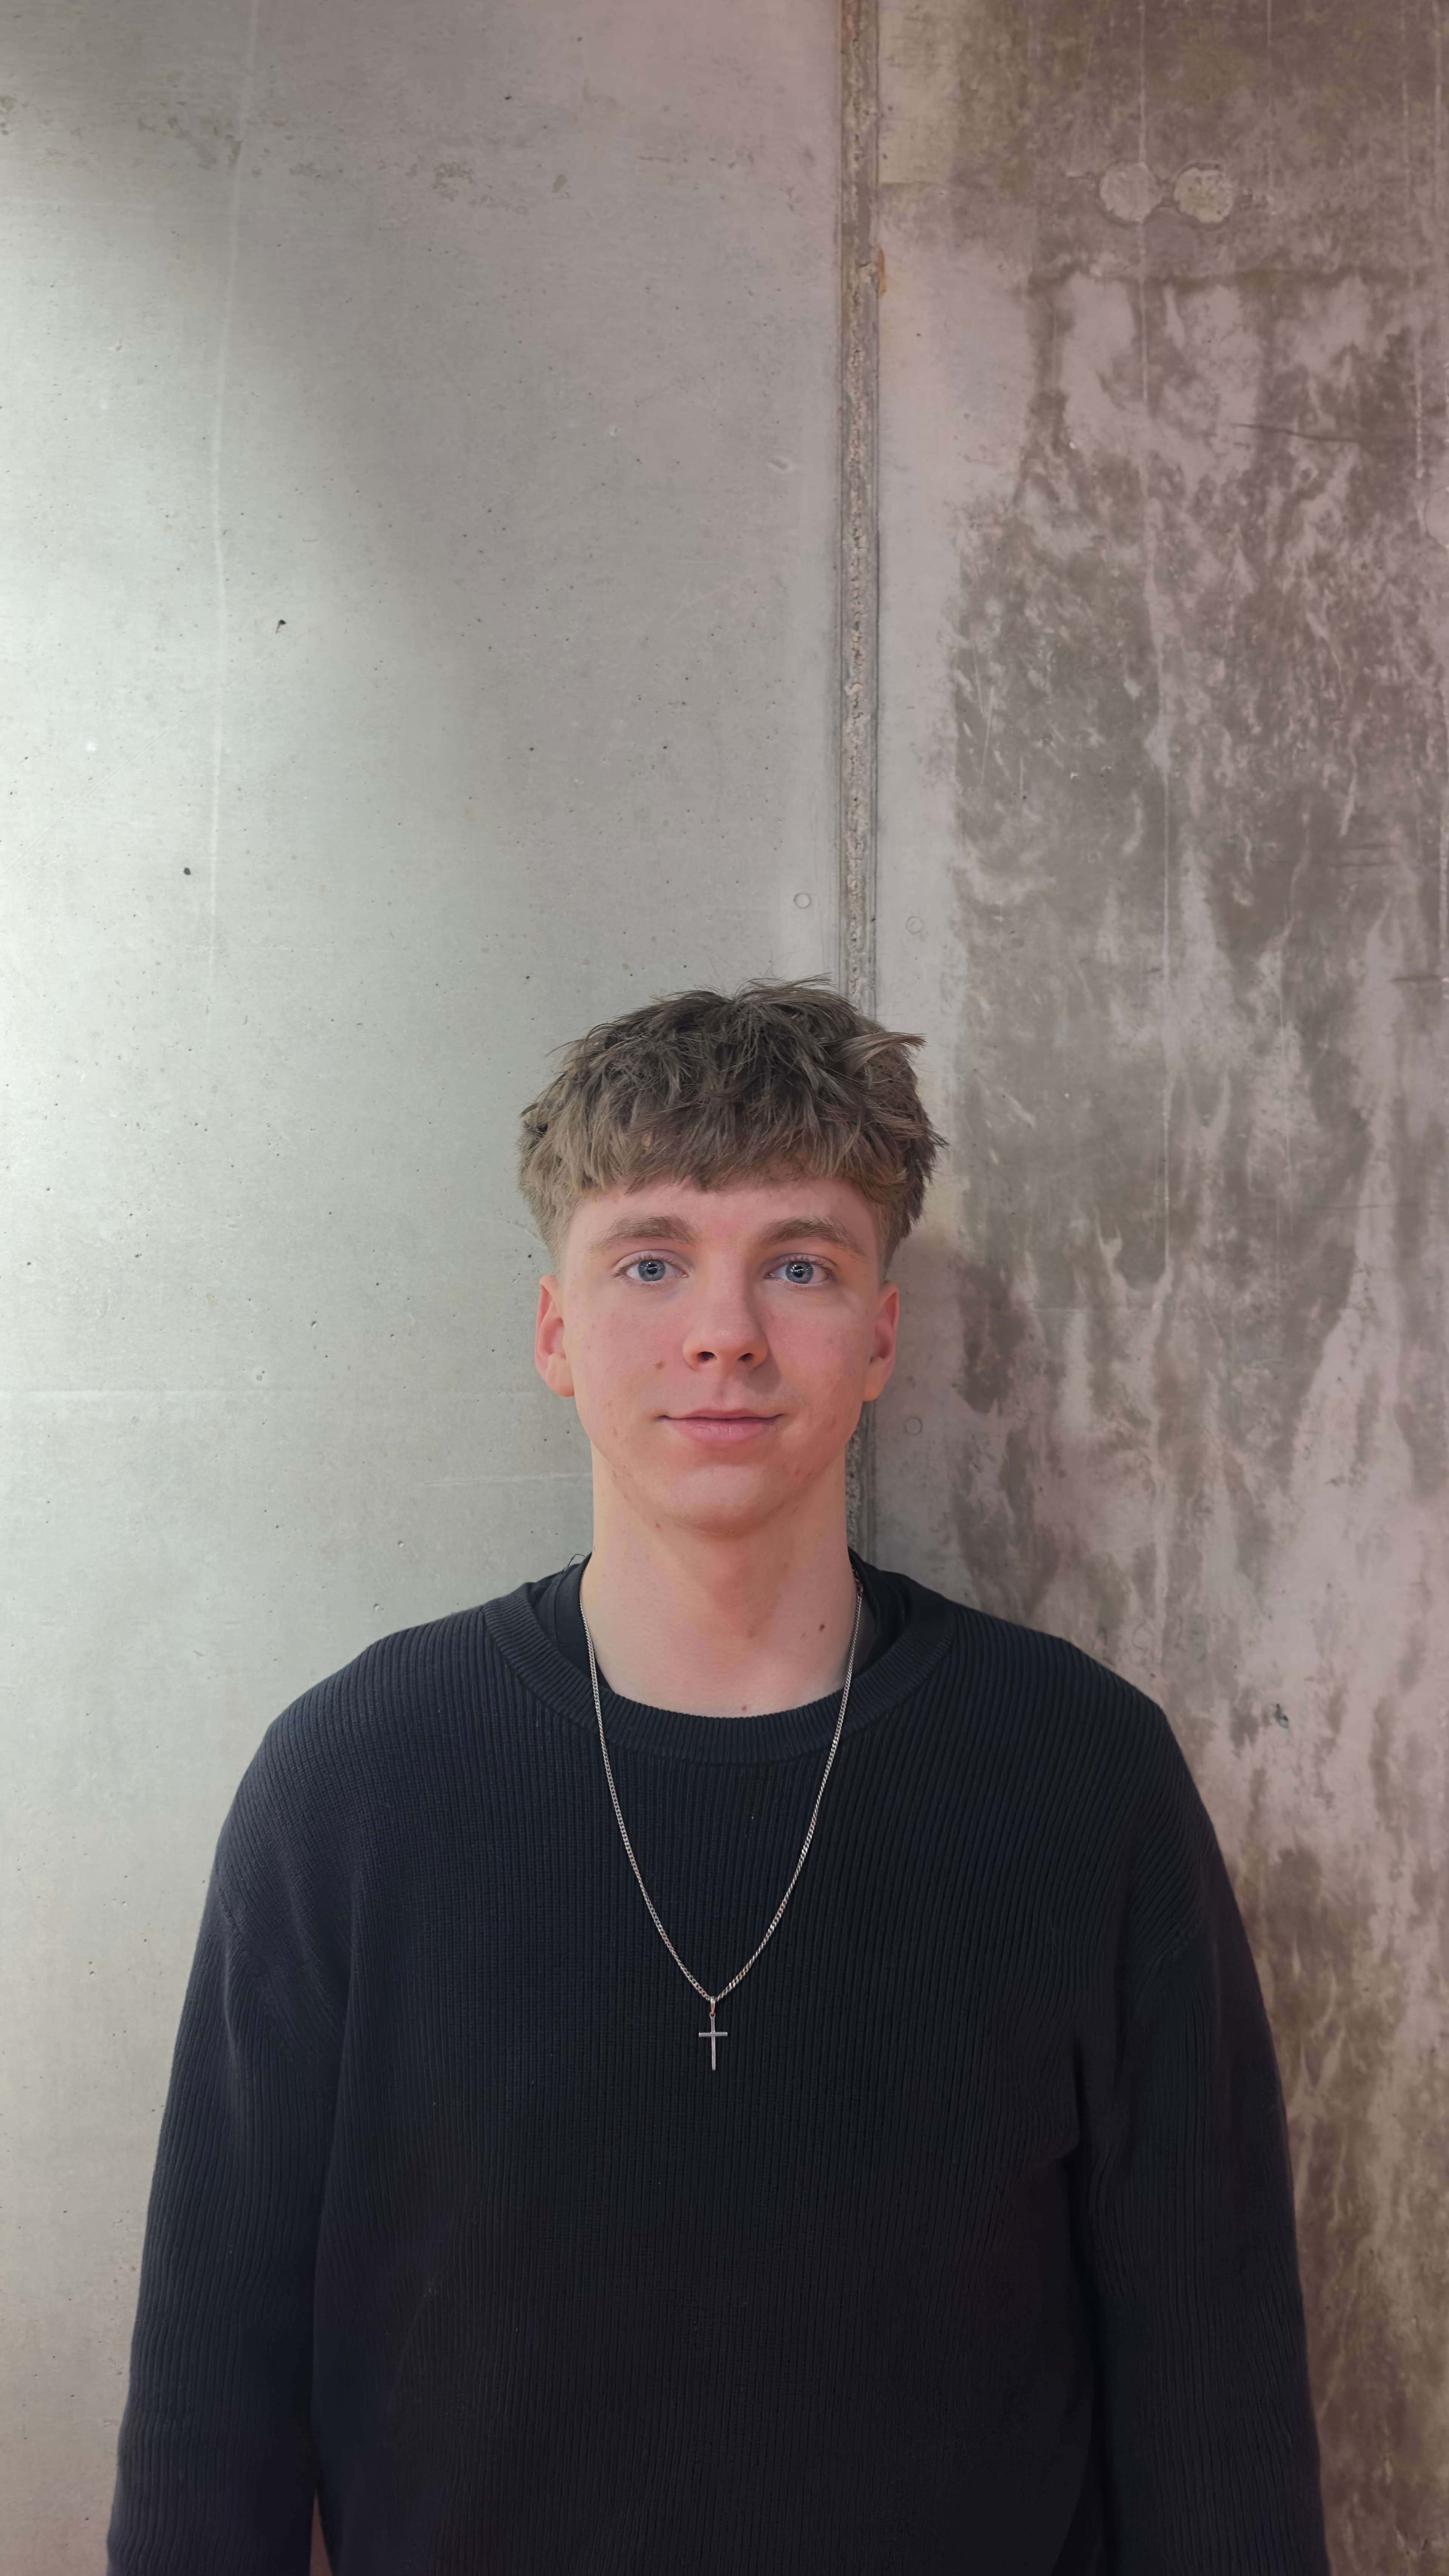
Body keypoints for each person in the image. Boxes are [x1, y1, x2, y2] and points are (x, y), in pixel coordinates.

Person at [108, 979, 1329, 2574]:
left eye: (800, 1264)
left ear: (881, 1332)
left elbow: (1214, 2402)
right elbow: (211, 2420)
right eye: (651, 1259)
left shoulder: (1082, 1780)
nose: (724, 1333)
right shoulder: (351, 1787)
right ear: (555, 1330)